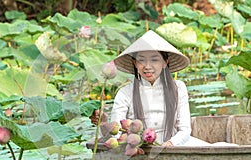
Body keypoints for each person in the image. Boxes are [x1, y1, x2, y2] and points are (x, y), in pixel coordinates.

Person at [90, 30, 222, 146]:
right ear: (135, 63)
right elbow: (117, 132)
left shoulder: (178, 88)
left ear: (165, 62)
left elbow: (185, 130)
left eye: (154, 60)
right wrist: (103, 123)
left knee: (221, 149)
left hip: (177, 147)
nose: (147, 66)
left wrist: (170, 144)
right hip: (139, 151)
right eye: (141, 60)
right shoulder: (125, 93)